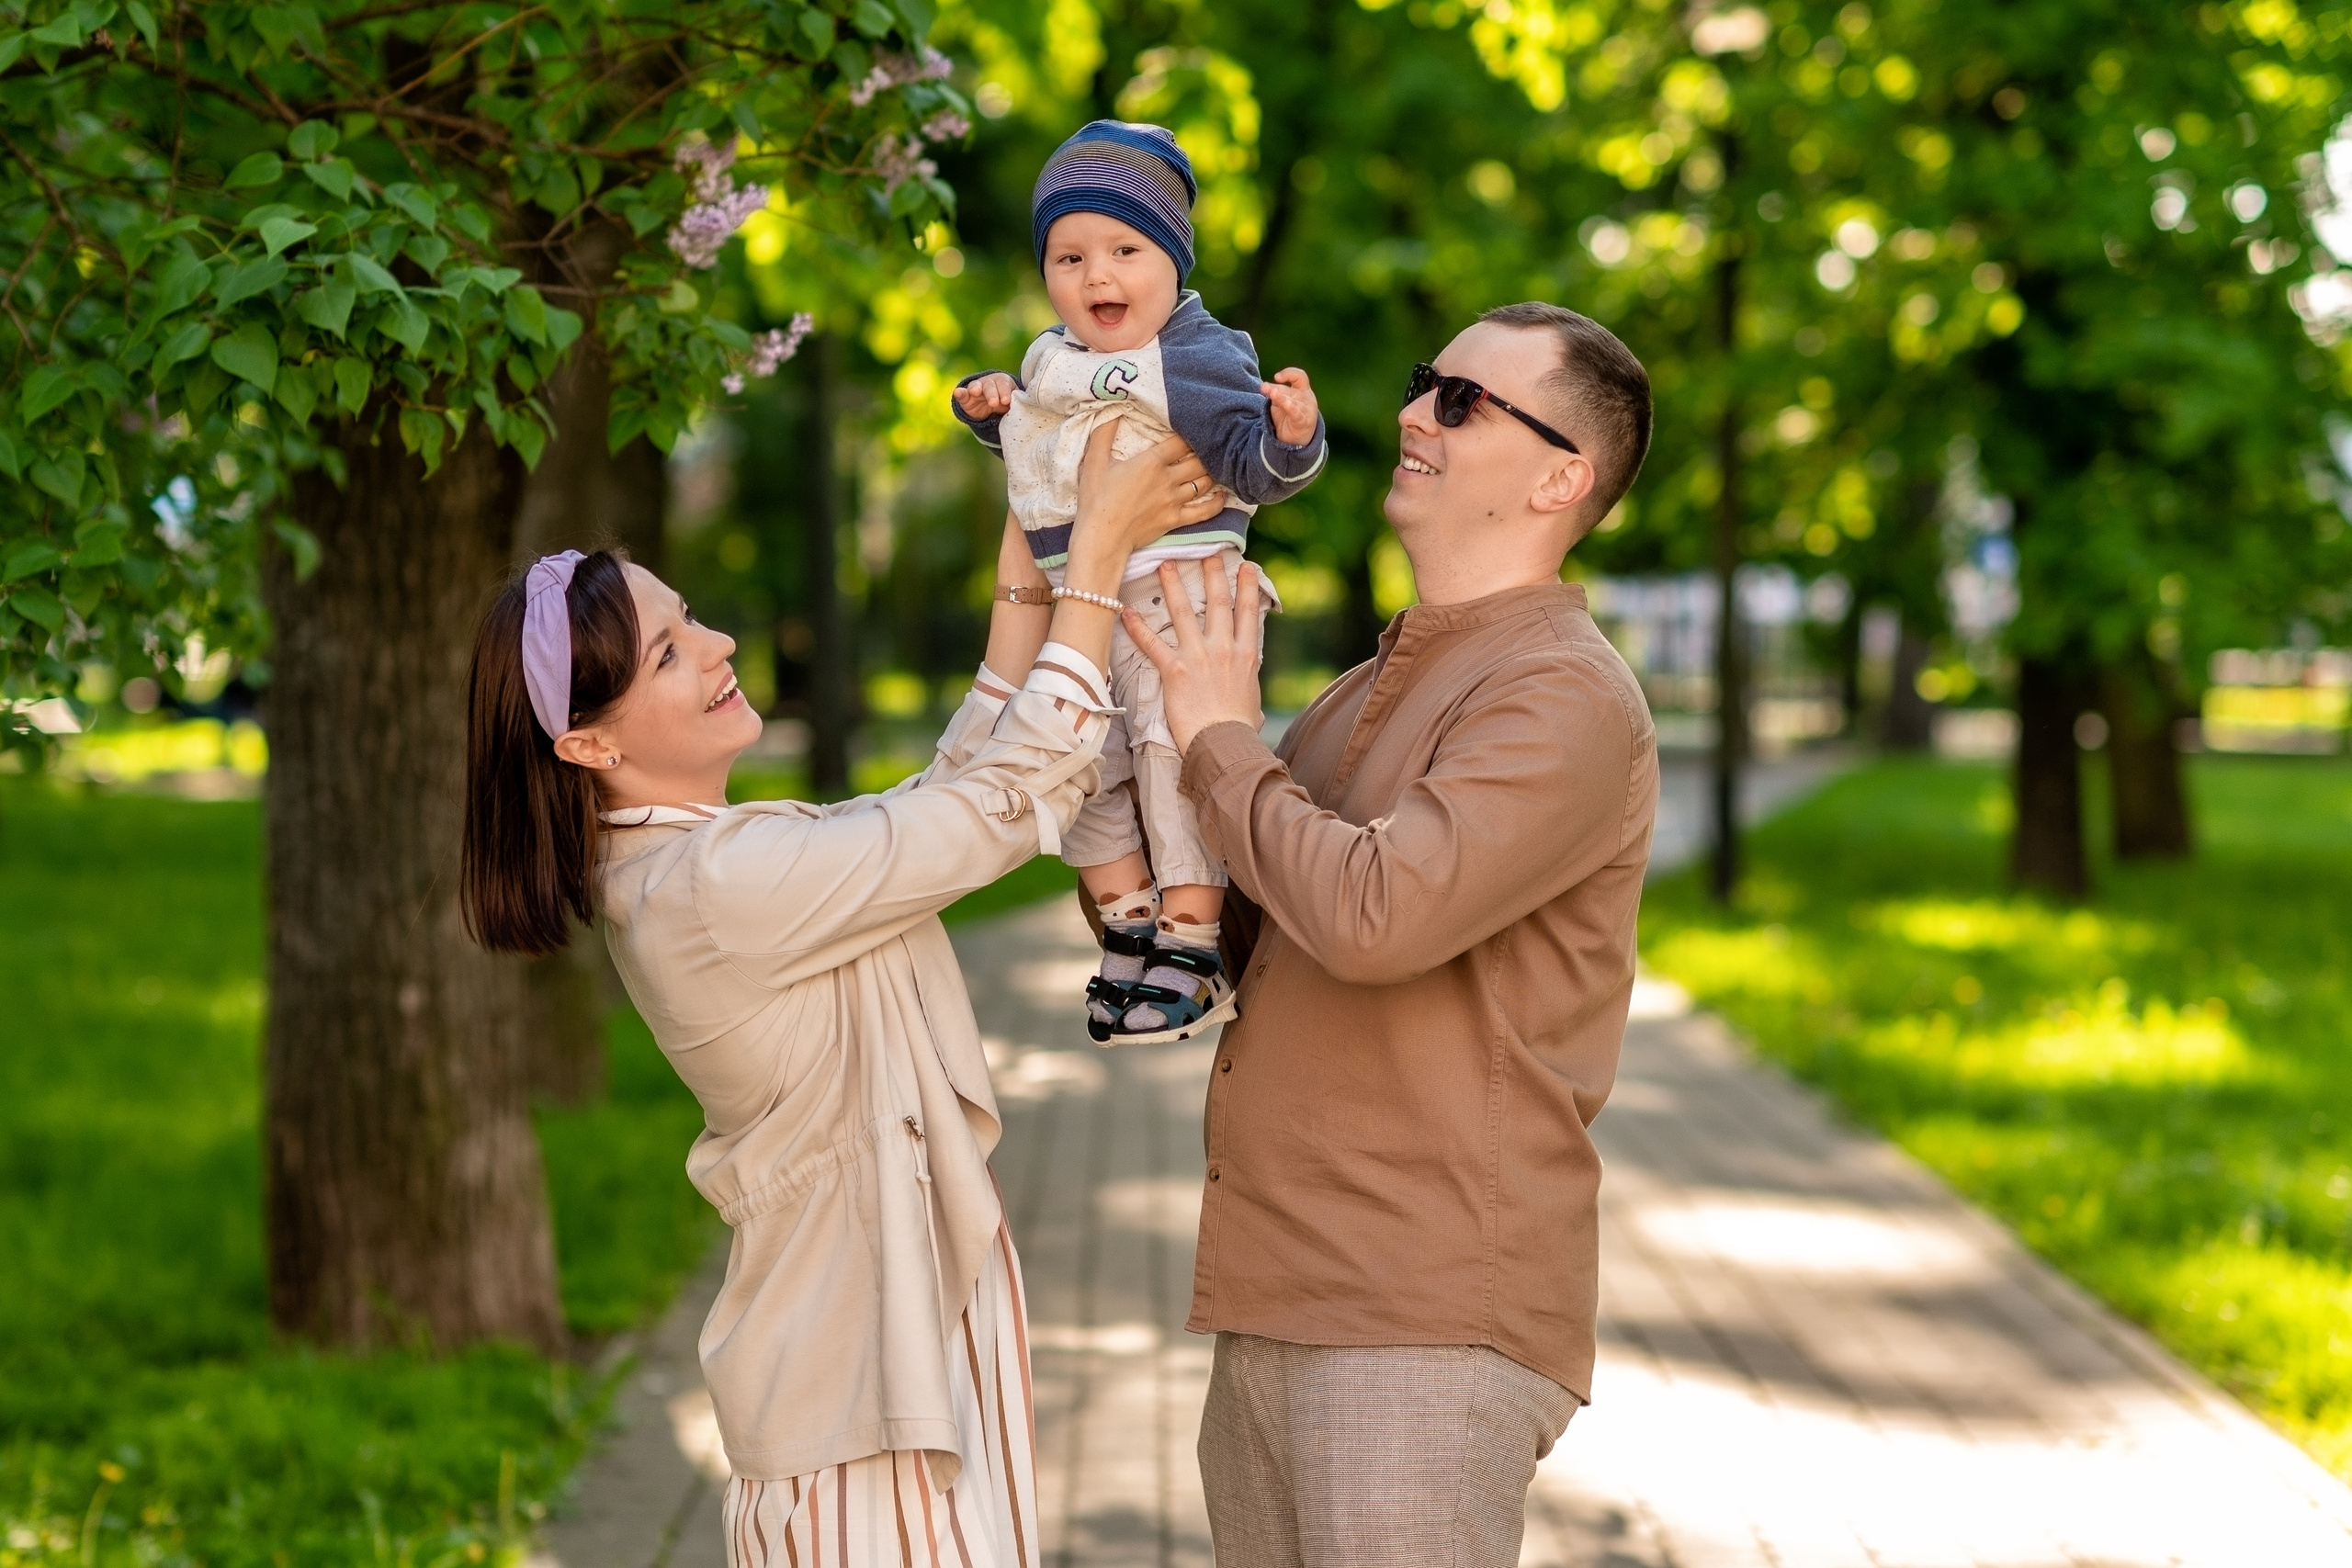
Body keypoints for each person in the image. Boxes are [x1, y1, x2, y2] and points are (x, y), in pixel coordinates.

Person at [458, 424, 1223, 1568]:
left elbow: (950, 788)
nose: (719, 643)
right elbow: (995, 812)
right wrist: (1100, 558)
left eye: (690, 620)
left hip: (898, 1337)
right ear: (584, 742)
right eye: (670, 654)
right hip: (856, 1383)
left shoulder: (710, 859)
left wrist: (1039, 526)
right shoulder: (708, 888)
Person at [1127, 302, 1661, 1568]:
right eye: (1430, 382)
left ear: (1560, 476)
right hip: (1277, 1293)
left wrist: (1215, 736)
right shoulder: (1368, 687)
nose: (1415, 413)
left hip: (1422, 1318)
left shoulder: (1566, 695)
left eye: (1463, 400)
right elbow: (1243, 921)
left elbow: (1374, 915)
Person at [952, 119, 1329, 1046]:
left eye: (1125, 249)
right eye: (1068, 256)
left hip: (1175, 599)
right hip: (1080, 608)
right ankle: (1126, 923)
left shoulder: (1197, 357)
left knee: (1171, 760)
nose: (1096, 276)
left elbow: (1251, 470)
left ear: (1172, 261)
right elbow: (1041, 448)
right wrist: (993, 404)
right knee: (1082, 771)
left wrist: (1289, 439)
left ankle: (1193, 939)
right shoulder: (1051, 357)